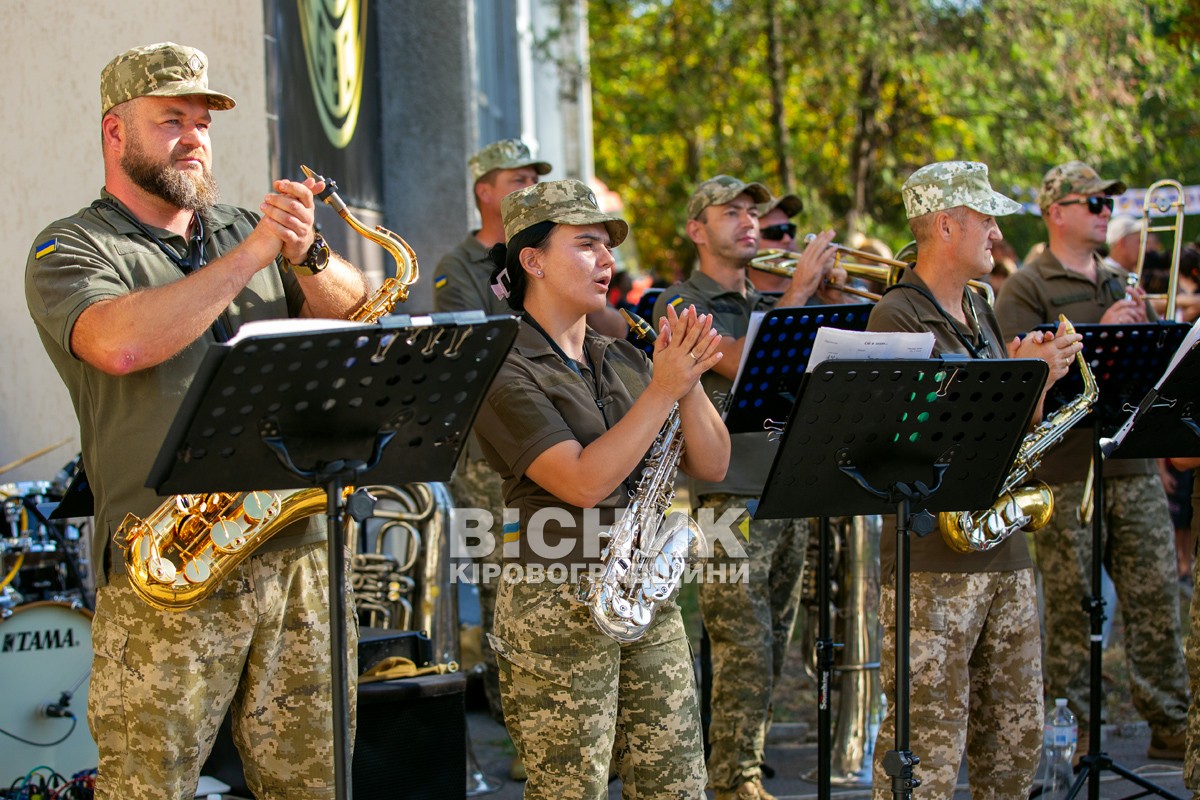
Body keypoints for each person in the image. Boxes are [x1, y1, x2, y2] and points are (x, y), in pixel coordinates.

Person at [24, 43, 370, 800]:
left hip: (294, 551)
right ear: (116, 133)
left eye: (203, 121)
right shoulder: (71, 245)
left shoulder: (249, 229)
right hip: (168, 561)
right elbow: (119, 345)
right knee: (151, 786)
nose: (193, 136)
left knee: (316, 784)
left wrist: (308, 251)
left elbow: (359, 315)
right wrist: (252, 256)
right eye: (170, 119)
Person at [472, 178, 731, 798]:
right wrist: (663, 389)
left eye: (608, 246)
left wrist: (687, 377)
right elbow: (582, 481)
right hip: (555, 600)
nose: (607, 262)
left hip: (643, 594)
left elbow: (715, 464)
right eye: (586, 245)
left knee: (678, 786)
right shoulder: (502, 366)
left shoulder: (622, 355)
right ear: (531, 260)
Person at [867, 160, 1082, 800]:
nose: (996, 231)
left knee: (1016, 742)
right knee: (927, 751)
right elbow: (920, 441)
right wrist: (1025, 380)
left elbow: (1008, 435)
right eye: (985, 217)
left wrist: (1037, 384)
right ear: (945, 225)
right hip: (933, 561)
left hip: (1003, 547)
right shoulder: (897, 318)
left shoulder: (981, 306)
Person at [994, 160, 1190, 761]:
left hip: (1128, 465)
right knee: (1075, 606)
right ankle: (1073, 727)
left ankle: (1170, 719)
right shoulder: (1029, 285)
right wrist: (1098, 331)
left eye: (1109, 205)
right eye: (1094, 204)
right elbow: (1015, 376)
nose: (1107, 214)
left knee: (1155, 595)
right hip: (1065, 468)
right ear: (1056, 212)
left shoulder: (1121, 278)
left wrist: (1154, 331)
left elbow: (1158, 373)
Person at [652, 175, 837, 800]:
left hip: (791, 488)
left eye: (754, 212)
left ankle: (737, 764)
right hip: (728, 497)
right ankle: (734, 781)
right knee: (742, 647)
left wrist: (820, 301)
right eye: (731, 212)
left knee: (774, 647)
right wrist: (801, 293)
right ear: (697, 229)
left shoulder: (771, 297)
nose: (750, 222)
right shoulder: (679, 303)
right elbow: (745, 363)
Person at [431, 138, 551, 732]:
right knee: (505, 582)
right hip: (488, 453)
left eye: (534, 178)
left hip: (555, 442)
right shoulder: (459, 267)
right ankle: (515, 721)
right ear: (484, 190)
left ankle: (553, 715)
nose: (528, 187)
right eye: (516, 179)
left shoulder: (545, 253)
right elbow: (477, 349)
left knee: (552, 575)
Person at [747, 191, 803, 294]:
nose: (787, 239)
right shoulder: (734, 292)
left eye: (790, 230)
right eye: (775, 232)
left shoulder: (816, 286)